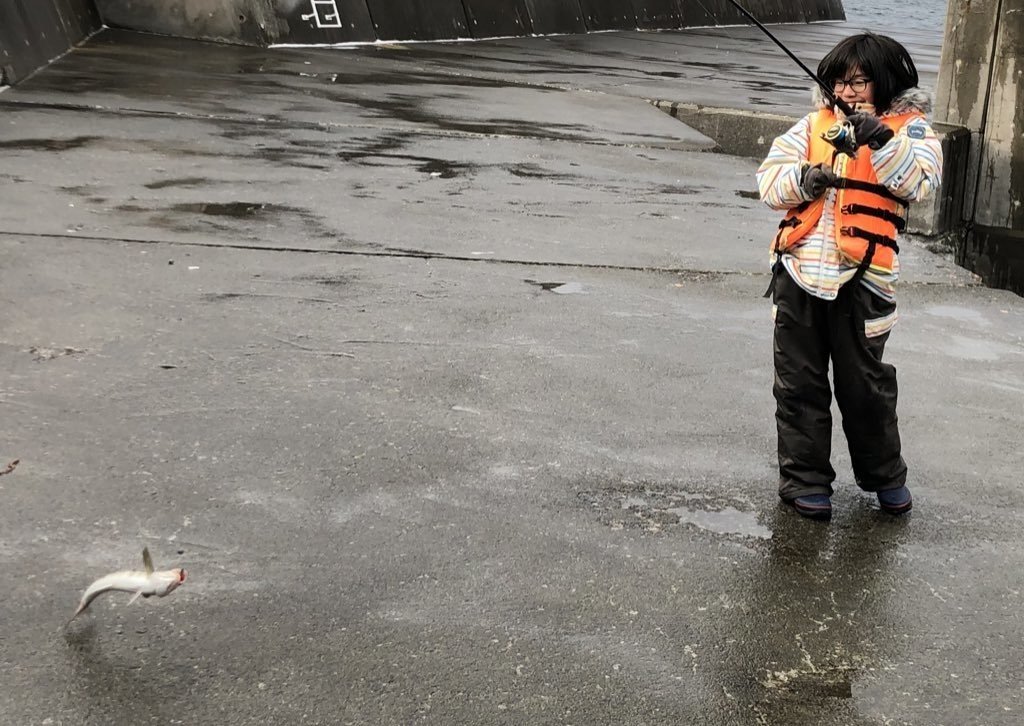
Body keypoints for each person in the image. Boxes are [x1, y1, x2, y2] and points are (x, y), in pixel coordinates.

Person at [756, 33, 943, 520]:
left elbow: (919, 183)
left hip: (866, 281)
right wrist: (806, 178)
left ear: (886, 82)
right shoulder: (812, 125)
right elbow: (768, 181)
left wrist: (880, 138)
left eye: (861, 81)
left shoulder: (913, 131)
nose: (850, 90)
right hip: (798, 274)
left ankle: (885, 476)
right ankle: (804, 480)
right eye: (841, 81)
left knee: (865, 386)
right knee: (798, 385)